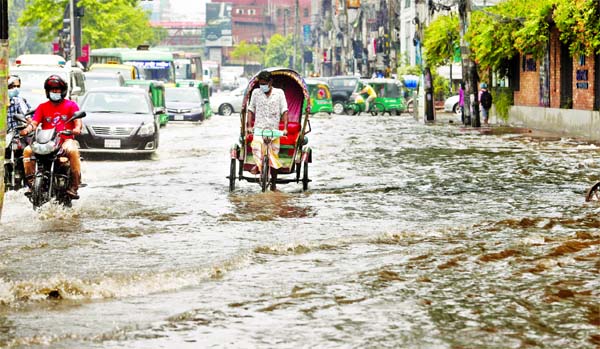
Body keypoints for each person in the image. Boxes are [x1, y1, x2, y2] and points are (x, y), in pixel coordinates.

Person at [19, 75, 83, 199]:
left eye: (57, 89)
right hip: (46, 141)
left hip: (65, 140)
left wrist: (76, 129)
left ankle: (74, 186)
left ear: (63, 91)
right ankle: (31, 184)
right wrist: (27, 130)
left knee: (73, 151)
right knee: (27, 151)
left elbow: (78, 121)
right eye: (52, 89)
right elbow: (34, 123)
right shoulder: (42, 107)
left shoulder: (71, 105)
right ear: (47, 91)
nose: (55, 91)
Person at [246, 70, 288, 191]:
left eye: (264, 83)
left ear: (270, 82)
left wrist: (285, 128)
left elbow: (284, 110)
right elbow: (250, 110)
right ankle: (259, 167)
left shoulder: (279, 93)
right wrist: (249, 126)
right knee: (256, 147)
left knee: (273, 156)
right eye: (260, 83)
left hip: (274, 130)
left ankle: (273, 183)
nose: (262, 86)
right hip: (259, 129)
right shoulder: (255, 93)